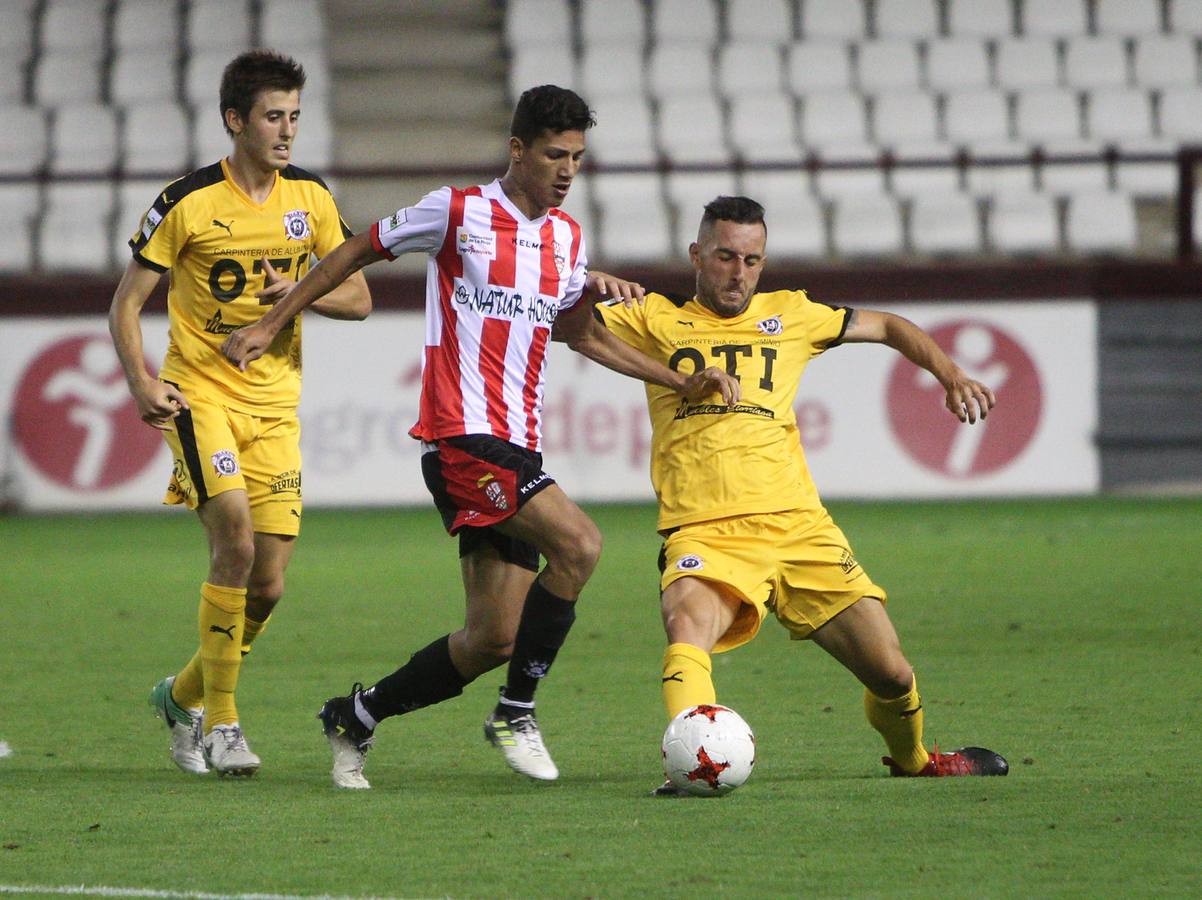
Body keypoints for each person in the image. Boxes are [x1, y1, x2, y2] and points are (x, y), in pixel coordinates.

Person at [220, 85, 738, 789]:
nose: (566, 170)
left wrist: (677, 381)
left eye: (578, 158)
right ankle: (516, 712)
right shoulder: (457, 211)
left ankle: (356, 716)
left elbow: (579, 331)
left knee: (493, 637)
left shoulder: (566, 240)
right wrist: (270, 322)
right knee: (580, 544)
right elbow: (355, 251)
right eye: (554, 154)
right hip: (460, 438)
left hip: (518, 446)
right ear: (518, 150)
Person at [595, 196, 1009, 794]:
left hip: (800, 528)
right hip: (707, 528)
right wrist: (582, 281)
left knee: (892, 675)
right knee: (687, 625)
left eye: (752, 260)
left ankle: (915, 758)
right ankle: (690, 765)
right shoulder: (652, 318)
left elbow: (889, 325)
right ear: (696, 255)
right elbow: (560, 323)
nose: (738, 272)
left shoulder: (792, 313)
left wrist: (952, 374)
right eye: (725, 256)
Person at [109, 50, 372, 777]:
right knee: (234, 538)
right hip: (200, 395)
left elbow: (358, 298)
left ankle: (183, 696)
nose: (286, 130)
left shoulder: (311, 199)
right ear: (235, 121)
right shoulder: (189, 201)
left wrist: (301, 291)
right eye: (272, 116)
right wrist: (139, 383)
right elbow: (125, 304)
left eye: (293, 115)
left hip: (275, 409)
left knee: (269, 584)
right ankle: (223, 724)